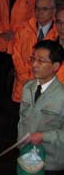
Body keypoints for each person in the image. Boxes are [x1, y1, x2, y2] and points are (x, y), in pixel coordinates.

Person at [11, 0, 58, 141]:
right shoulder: (24, 28)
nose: (39, 12)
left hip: (48, 89)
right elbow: (16, 56)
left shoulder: (58, 33)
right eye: (37, 8)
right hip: (23, 86)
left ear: (53, 11)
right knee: (21, 123)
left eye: (44, 9)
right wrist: (29, 79)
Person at [0, 0, 39, 111]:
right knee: (1, 73)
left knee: (20, 74)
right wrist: (2, 31)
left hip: (21, 43)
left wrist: (17, 34)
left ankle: (14, 104)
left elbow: (33, 18)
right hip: (3, 42)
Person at [17, 40, 64, 174]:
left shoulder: (61, 96)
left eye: (41, 61)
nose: (34, 65)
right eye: (33, 59)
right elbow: (22, 119)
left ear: (56, 66)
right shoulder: (28, 87)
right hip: (26, 155)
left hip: (50, 162)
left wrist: (44, 136)